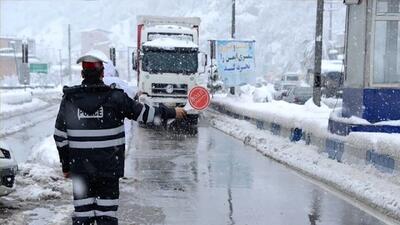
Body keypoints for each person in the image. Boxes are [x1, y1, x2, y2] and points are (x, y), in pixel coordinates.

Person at [53, 50, 186, 225]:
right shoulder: (116, 98)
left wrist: (66, 165)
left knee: (82, 215)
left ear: (82, 74)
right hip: (108, 169)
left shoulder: (69, 100)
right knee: (107, 216)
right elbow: (145, 113)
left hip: (81, 170)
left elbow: (60, 136)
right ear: (102, 74)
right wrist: (172, 112)